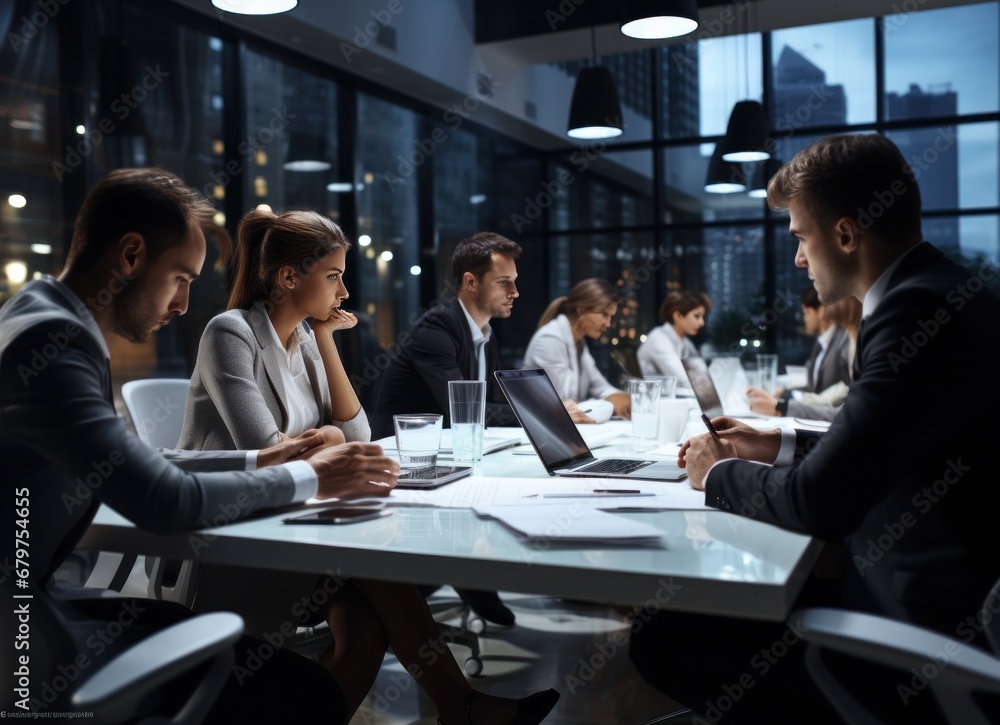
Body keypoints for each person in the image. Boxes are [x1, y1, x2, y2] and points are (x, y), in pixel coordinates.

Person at [0, 168, 401, 722]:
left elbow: (137, 460)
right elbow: (165, 502)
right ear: (132, 255)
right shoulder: (55, 345)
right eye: (181, 278)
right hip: (19, 641)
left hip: (33, 607)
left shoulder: (40, 319)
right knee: (299, 689)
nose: (185, 303)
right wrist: (314, 476)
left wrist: (258, 458)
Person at [629, 134, 1000, 722]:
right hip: (932, 591)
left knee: (662, 639)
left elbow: (818, 502)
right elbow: (888, 444)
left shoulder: (912, 314)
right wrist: (776, 441)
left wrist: (717, 470)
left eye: (801, 236)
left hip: (919, 630)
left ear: (847, 234)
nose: (799, 258)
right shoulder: (939, 293)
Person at [177, 209, 559, 723]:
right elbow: (267, 451)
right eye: (333, 275)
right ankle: (463, 708)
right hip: (237, 534)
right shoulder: (231, 333)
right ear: (290, 277)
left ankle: (461, 708)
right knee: (374, 581)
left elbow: (357, 434)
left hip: (297, 523)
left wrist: (327, 342)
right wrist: (329, 437)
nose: (345, 291)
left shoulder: (306, 338)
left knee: (368, 622)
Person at [371, 232, 591, 627]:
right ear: (470, 282)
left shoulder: (483, 335)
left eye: (515, 281)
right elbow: (464, 410)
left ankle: (468, 571)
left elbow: (494, 405)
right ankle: (420, 589)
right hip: (407, 460)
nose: (516, 292)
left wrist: (546, 411)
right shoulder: (435, 330)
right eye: (504, 282)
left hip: (452, 453)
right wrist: (540, 415)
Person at [523, 278, 630, 422]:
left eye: (611, 317)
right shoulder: (550, 339)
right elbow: (563, 405)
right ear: (581, 309)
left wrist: (627, 400)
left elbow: (601, 387)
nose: (608, 323)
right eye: (604, 314)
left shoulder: (579, 344)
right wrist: (610, 405)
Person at [745, 295, 861, 420]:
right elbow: (814, 388)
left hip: (829, 416)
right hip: (820, 414)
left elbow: (843, 395)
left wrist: (780, 406)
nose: (804, 319)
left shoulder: (846, 339)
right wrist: (785, 393)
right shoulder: (819, 344)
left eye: (806, 313)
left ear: (820, 311)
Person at [636, 290, 711, 394]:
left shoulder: (685, 343)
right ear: (678, 315)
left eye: (702, 317)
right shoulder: (658, 339)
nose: (702, 322)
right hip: (657, 401)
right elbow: (683, 379)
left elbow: (700, 373)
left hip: (675, 398)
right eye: (696, 316)